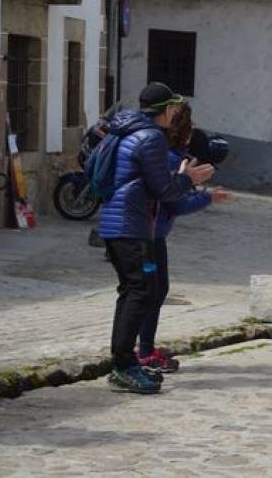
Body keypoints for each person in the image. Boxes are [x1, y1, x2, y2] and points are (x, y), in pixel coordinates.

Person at [99, 82, 214, 394]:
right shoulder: (150, 137)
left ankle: (125, 364)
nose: (176, 114)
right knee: (141, 293)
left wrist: (183, 179)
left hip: (123, 223)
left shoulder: (127, 130)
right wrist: (187, 178)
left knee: (135, 292)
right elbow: (164, 190)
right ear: (165, 109)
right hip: (131, 225)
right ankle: (124, 366)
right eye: (174, 108)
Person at [138, 102, 232, 374]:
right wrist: (207, 197)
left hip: (152, 231)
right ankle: (143, 352)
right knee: (151, 292)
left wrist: (198, 189)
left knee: (153, 291)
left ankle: (144, 349)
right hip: (151, 234)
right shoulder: (170, 159)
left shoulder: (168, 155)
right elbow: (176, 203)